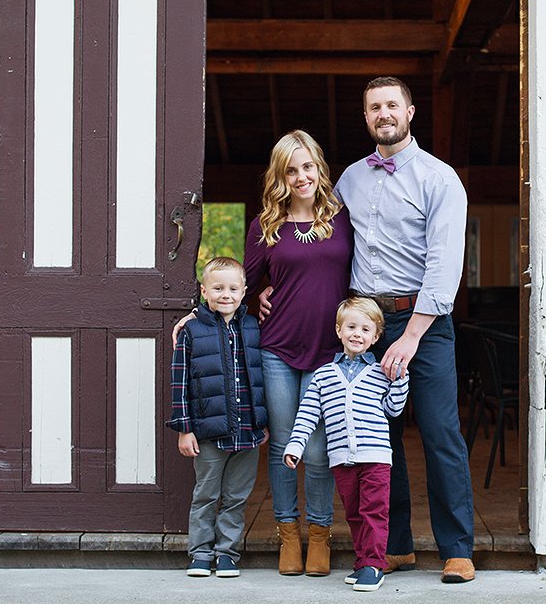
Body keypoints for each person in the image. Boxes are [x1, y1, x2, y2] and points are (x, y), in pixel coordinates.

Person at [176, 130, 352, 577]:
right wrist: (197, 316)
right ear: (280, 175)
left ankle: (319, 534)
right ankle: (287, 535)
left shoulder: (341, 218)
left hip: (328, 351)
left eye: (307, 167)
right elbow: (237, 284)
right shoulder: (265, 226)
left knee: (315, 450)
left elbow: (361, 273)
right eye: (291, 170)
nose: (301, 176)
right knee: (280, 447)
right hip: (275, 349)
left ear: (319, 167)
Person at [332, 76, 475, 584]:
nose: (384, 113)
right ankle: (395, 547)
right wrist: (266, 284)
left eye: (393, 104)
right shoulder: (348, 179)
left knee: (439, 432)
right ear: (366, 116)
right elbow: (320, 244)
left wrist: (411, 336)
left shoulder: (440, 179)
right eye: (374, 107)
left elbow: (444, 265)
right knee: (377, 440)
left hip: (425, 323)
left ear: (410, 112)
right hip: (366, 325)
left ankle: (457, 548)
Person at [283, 297, 409, 592]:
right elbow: (308, 414)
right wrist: (295, 446)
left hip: (376, 456)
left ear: (376, 336)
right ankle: (363, 560)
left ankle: (374, 565)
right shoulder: (323, 376)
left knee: (374, 511)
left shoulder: (381, 373)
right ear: (339, 330)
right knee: (353, 513)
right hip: (341, 457)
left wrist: (401, 379)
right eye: (351, 327)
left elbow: (394, 409)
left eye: (365, 329)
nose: (357, 334)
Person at [166, 256, 267, 580]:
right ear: (204, 291)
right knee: (207, 494)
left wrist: (261, 423)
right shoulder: (192, 330)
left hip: (247, 433)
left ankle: (227, 554)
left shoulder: (252, 327)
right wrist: (184, 430)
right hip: (209, 433)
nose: (226, 294)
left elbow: (259, 378)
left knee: (236, 497)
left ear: (244, 291)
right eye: (218, 288)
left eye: (233, 288)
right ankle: (200, 554)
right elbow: (180, 383)